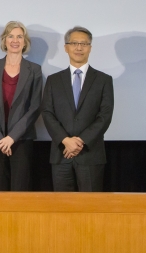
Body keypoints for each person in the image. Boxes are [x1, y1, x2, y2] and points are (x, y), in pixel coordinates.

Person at [41, 26, 114, 192]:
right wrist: (65, 140)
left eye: (84, 44)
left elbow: (105, 115)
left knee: (91, 208)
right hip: (61, 154)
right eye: (74, 43)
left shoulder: (103, 80)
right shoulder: (54, 80)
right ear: (66, 48)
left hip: (90, 154)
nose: (79, 48)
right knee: (62, 208)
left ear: (90, 48)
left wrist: (80, 141)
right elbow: (47, 112)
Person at [0, 21, 43, 191]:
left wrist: (12, 137)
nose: (15, 40)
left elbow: (35, 107)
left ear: (25, 42)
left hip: (22, 139)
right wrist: (0, 138)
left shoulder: (35, 70)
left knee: (20, 190)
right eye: (11, 36)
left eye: (19, 36)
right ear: (4, 40)